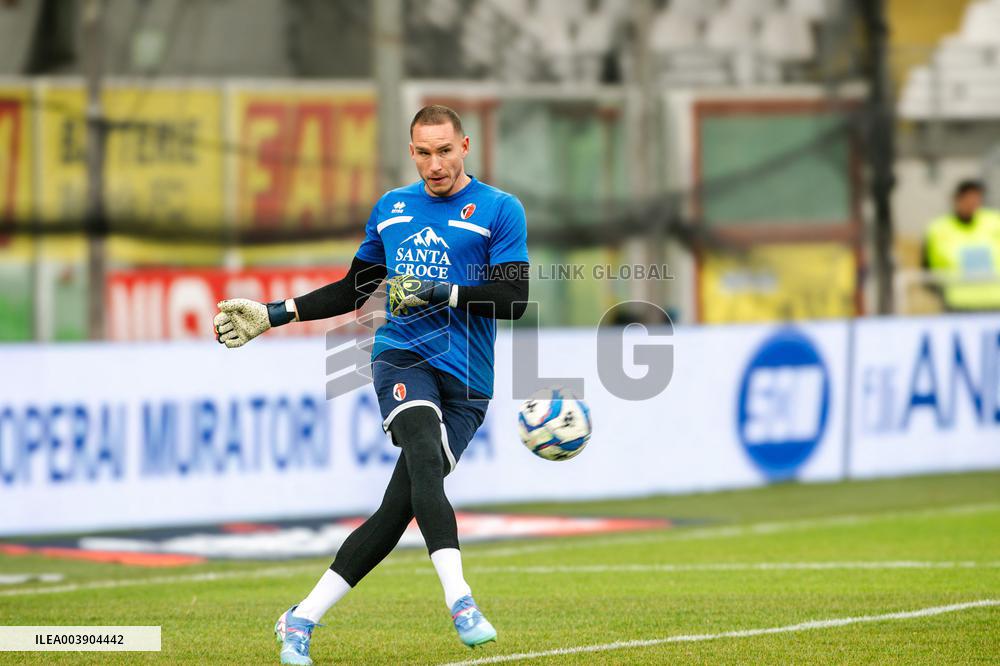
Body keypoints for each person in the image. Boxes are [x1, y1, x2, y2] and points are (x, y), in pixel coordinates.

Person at [213, 105, 529, 665]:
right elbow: (352, 289)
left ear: (465, 147)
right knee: (425, 457)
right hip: (402, 355)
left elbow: (513, 300)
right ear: (412, 152)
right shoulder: (392, 209)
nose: (435, 164)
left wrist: (440, 291)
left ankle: (300, 618)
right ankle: (461, 601)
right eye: (424, 152)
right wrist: (274, 313)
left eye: (445, 150)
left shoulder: (501, 211)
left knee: (396, 510)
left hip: (470, 384)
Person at [923, 179, 1000, 311]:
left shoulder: (994, 222)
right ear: (957, 200)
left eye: (976, 199)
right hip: (957, 304)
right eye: (968, 199)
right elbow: (927, 267)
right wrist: (942, 294)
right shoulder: (939, 229)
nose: (972, 204)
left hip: (994, 301)